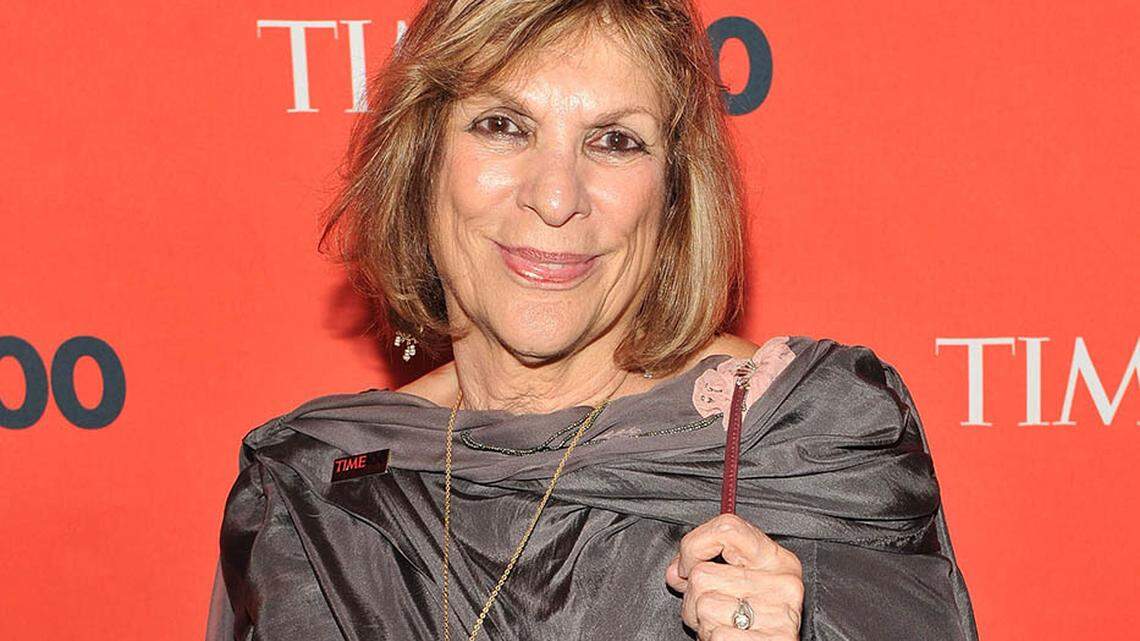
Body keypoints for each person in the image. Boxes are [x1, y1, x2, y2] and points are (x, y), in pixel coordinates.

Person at [205, 0, 979, 639]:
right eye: (503, 125)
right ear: (422, 160)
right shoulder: (314, 487)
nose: (554, 196)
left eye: (614, 141)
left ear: (674, 196)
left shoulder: (806, 443)